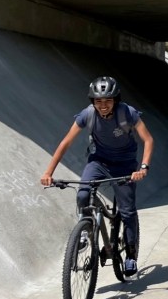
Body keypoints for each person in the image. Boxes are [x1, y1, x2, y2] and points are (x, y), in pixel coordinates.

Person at [41, 76, 154, 277]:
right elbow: (65, 142)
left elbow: (148, 139)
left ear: (115, 100)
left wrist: (143, 168)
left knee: (127, 212)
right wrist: (49, 172)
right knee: (83, 194)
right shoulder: (88, 114)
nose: (103, 105)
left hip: (125, 166)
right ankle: (85, 231)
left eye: (108, 100)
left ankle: (130, 255)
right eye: (98, 101)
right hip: (98, 162)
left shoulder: (127, 113)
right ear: (92, 101)